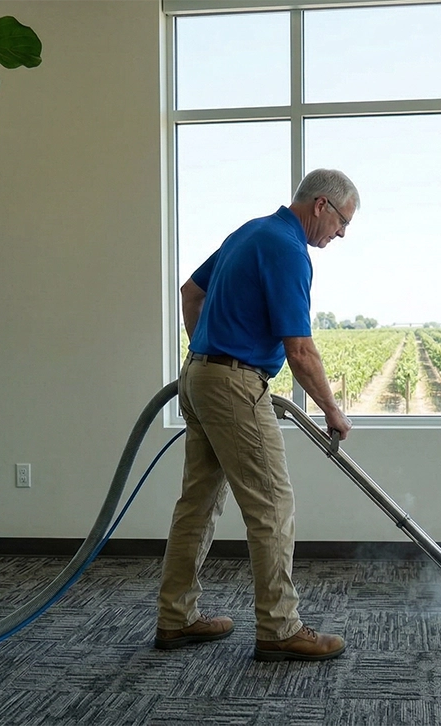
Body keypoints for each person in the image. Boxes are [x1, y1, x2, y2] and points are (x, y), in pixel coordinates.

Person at [154, 169, 359, 661]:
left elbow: (190, 293)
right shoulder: (289, 251)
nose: (342, 233)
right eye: (342, 221)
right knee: (272, 507)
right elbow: (301, 350)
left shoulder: (249, 231)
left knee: (197, 504)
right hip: (234, 384)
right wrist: (333, 410)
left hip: (199, 376)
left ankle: (175, 617)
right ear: (320, 206)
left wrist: (208, 351)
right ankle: (279, 627)